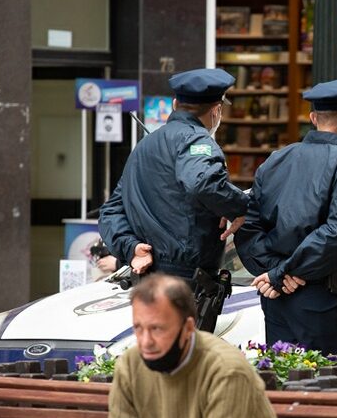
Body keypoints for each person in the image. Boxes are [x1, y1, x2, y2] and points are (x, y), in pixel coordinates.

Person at [234, 77, 337, 356]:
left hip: (278, 298)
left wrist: (277, 270)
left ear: (313, 118)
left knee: (285, 380)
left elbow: (247, 225)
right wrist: (284, 271)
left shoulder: (275, 160)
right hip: (325, 300)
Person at [99, 68, 249, 279]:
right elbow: (203, 183)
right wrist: (240, 207)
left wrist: (131, 248)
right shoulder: (197, 140)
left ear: (174, 104)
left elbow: (111, 211)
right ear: (216, 110)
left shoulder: (144, 146)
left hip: (146, 276)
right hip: (186, 279)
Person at [101, 274, 280, 418]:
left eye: (157, 329)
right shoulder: (131, 364)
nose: (146, 341)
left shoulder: (226, 371)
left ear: (188, 328)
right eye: (138, 328)